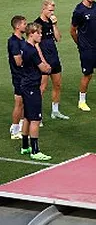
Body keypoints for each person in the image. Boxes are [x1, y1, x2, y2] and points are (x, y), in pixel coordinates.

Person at [19, 23, 52, 161]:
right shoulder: (32, 50)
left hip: (26, 85)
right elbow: (44, 69)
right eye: (38, 33)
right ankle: (35, 150)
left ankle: (25, 146)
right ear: (31, 34)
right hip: (32, 86)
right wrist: (48, 68)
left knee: (27, 116)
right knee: (35, 119)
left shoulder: (25, 47)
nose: (41, 35)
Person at [35, 0, 69, 120]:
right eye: (50, 10)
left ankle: (55, 111)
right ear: (43, 9)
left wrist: (54, 24)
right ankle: (36, 115)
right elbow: (36, 45)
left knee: (57, 85)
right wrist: (43, 61)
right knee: (42, 88)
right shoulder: (37, 24)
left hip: (54, 57)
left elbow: (58, 38)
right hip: (44, 60)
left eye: (53, 10)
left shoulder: (51, 22)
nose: (52, 13)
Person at [8, 16, 27, 140]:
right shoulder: (13, 42)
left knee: (24, 103)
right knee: (19, 103)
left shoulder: (22, 40)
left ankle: (20, 126)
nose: (26, 26)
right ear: (17, 26)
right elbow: (18, 62)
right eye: (24, 24)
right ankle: (14, 130)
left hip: (24, 76)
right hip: (18, 76)